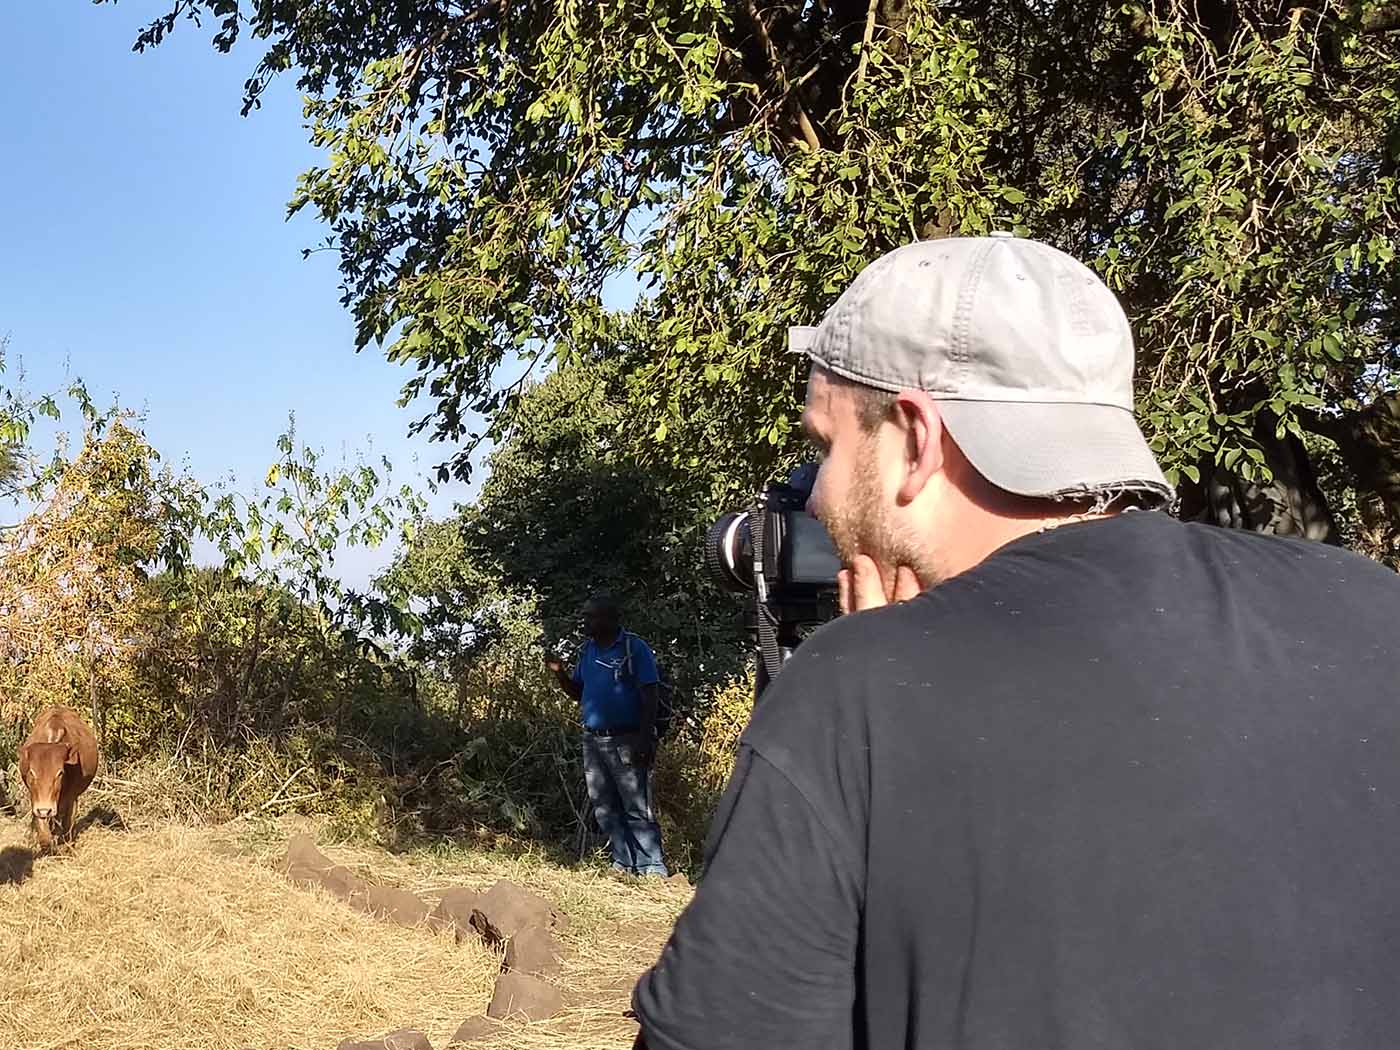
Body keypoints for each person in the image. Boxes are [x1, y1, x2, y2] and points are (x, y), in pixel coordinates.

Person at [632, 234, 1400, 1049]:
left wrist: (871, 686)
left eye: (826, 443)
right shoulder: (1372, 608)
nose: (814, 492)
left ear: (918, 438)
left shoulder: (857, 693)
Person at [547, 593, 668, 877]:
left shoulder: (632, 648)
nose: (585, 621)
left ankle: (652, 868)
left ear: (611, 619)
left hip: (627, 738)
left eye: (591, 616)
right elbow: (578, 692)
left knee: (637, 805)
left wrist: (645, 737)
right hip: (593, 739)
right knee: (604, 806)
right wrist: (560, 673)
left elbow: (651, 693)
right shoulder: (587, 651)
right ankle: (623, 864)